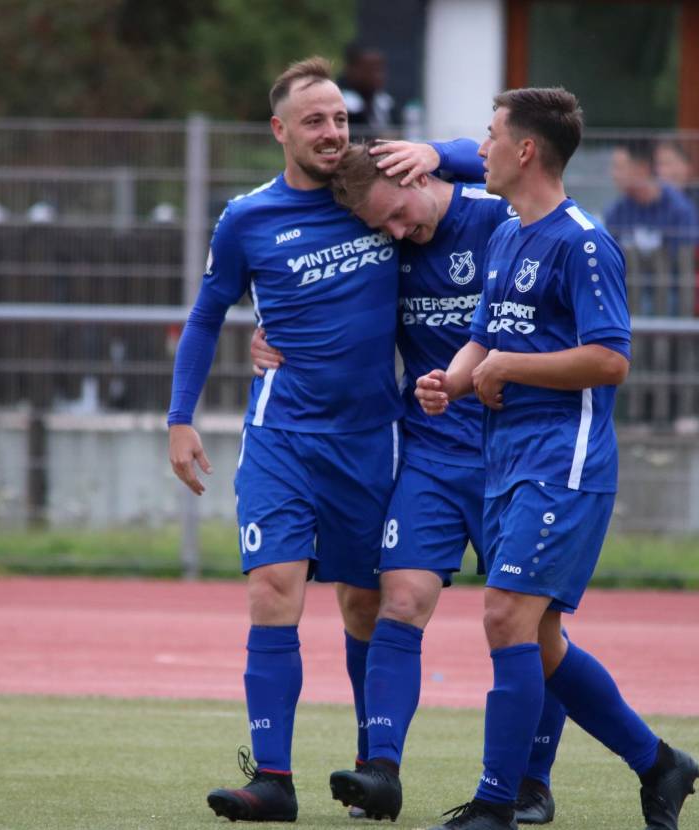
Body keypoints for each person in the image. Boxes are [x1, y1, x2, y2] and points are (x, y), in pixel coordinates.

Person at [166, 56, 482, 824]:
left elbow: (500, 160)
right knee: (273, 587)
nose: (333, 131)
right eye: (315, 120)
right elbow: (208, 315)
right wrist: (179, 418)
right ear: (281, 131)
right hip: (282, 435)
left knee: (366, 604)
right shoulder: (247, 218)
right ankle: (272, 778)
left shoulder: (378, 195)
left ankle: (379, 769)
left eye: (341, 117)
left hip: (376, 439)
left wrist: (438, 152)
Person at [250, 143, 567, 825]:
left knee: (534, 629)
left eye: (396, 215)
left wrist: (447, 150)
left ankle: (533, 783)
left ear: (422, 176)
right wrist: (269, 337)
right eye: (380, 226)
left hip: (517, 456)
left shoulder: (501, 220)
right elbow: (334, 310)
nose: (394, 233)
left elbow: (535, 162)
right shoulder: (386, 244)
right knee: (399, 597)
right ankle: (381, 769)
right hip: (427, 454)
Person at [414, 88, 699, 830]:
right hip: (506, 459)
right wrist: (451, 378)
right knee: (538, 639)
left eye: (489, 136)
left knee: (506, 617)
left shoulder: (583, 242)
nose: (479, 149)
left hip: (563, 465)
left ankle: (497, 803)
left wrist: (507, 367)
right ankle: (659, 763)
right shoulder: (509, 233)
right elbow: (488, 333)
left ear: (526, 150)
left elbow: (610, 360)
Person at [605, 139, 699, 317]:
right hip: (628, 292)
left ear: (642, 168)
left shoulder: (679, 209)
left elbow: (685, 261)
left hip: (671, 292)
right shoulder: (615, 212)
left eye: (619, 167)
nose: (613, 174)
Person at [653, 139, 699, 241]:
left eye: (666, 163)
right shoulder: (651, 200)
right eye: (658, 164)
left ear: (686, 166)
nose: (659, 170)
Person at [339, 43, 396, 137]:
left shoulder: (386, 103)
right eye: (370, 69)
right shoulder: (342, 104)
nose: (379, 76)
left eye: (380, 69)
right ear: (351, 69)